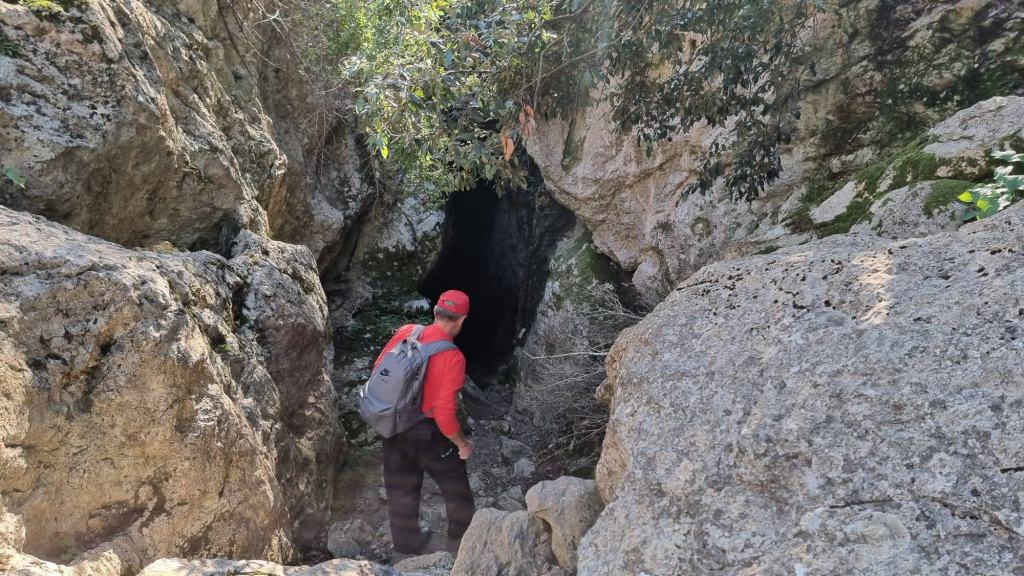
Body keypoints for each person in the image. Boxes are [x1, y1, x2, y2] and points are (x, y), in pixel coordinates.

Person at [374, 289, 476, 554]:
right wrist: (461, 444)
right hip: (428, 434)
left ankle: (407, 543)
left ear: (435, 312)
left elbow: (379, 368)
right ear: (462, 321)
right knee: (455, 483)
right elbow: (443, 414)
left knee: (400, 487)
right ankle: (461, 539)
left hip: (393, 427)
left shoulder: (407, 331)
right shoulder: (453, 357)